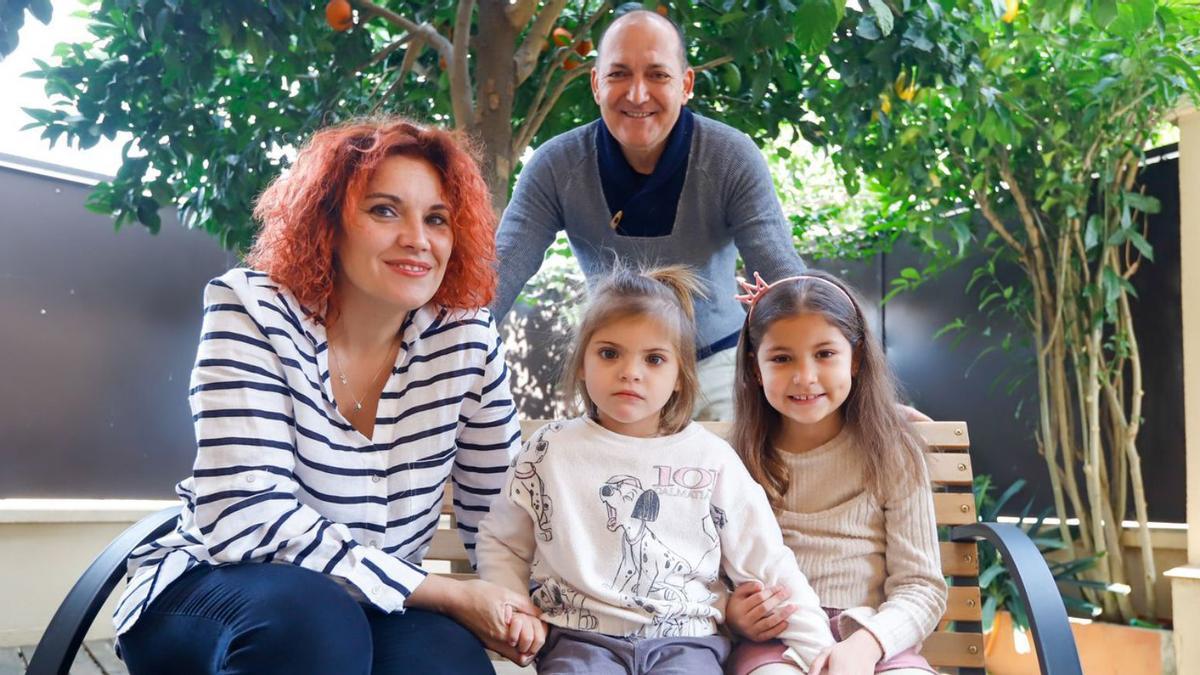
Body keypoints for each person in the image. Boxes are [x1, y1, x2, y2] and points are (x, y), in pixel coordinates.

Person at [112, 118, 543, 674]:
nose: (417, 238)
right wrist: (446, 592)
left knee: (446, 660)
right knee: (313, 621)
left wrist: (507, 600)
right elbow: (249, 518)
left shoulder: (467, 339)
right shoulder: (251, 309)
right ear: (329, 222)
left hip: (377, 604)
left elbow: (500, 512)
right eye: (385, 210)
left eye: (437, 219)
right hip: (217, 590)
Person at [475, 265, 837, 674]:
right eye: (609, 353)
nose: (631, 372)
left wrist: (821, 651)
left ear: (680, 376)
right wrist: (512, 607)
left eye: (654, 358)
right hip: (579, 639)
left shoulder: (710, 459)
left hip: (686, 643)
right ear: (581, 363)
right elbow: (503, 543)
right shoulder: (548, 450)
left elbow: (768, 561)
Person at [492, 5, 806, 420]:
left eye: (657, 75)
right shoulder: (555, 166)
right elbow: (496, 277)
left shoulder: (731, 157)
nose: (637, 94)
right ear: (595, 84)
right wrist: (427, 355)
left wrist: (855, 388)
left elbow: (786, 283)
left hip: (718, 366)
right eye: (619, 73)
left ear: (686, 84)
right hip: (620, 373)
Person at [723, 271, 947, 675]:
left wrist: (867, 646)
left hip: (875, 640)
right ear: (756, 369)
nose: (805, 376)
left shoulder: (891, 452)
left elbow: (922, 587)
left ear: (856, 359)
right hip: (777, 645)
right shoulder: (732, 460)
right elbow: (706, 573)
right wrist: (732, 612)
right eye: (781, 358)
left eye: (825, 354)